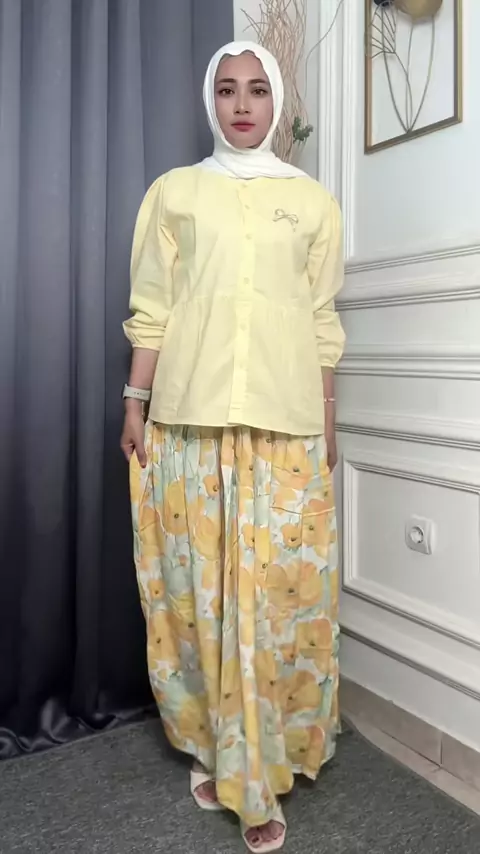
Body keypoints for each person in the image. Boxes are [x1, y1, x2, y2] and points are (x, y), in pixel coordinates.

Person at [121, 40, 345, 854]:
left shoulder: (313, 203)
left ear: (276, 100)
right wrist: (135, 400)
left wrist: (328, 414)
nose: (242, 104)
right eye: (227, 89)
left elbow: (321, 318)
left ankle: (265, 759)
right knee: (201, 596)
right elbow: (153, 305)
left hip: (286, 423)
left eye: (256, 89)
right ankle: (216, 748)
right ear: (210, 100)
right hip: (190, 421)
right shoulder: (175, 193)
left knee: (278, 598)